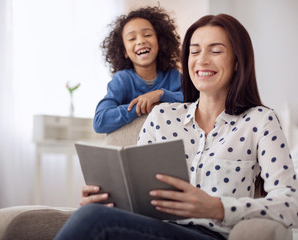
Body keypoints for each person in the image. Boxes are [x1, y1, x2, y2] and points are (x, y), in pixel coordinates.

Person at [54, 14, 298, 240]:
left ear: (237, 61)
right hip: (157, 230)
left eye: (215, 51)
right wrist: (107, 200)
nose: (202, 60)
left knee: (93, 221)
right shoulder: (161, 116)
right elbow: (139, 198)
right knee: (92, 214)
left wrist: (217, 207)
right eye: (194, 51)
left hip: (211, 234)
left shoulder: (259, 120)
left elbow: (291, 204)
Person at [93, 6, 183, 133]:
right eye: (132, 38)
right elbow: (99, 121)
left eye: (147, 34)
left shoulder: (173, 76)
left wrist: (160, 95)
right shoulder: (122, 79)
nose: (141, 41)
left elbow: (196, 100)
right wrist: (140, 107)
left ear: (160, 42)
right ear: (124, 52)